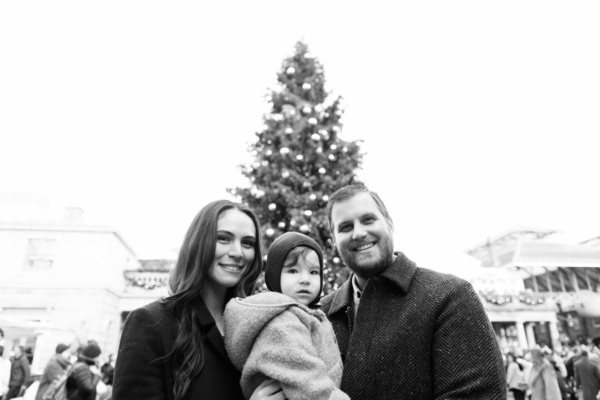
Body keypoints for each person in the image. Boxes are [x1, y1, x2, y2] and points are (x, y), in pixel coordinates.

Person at [320, 184, 506, 399]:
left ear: (389, 223)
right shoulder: (318, 314)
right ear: (334, 242)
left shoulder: (450, 296)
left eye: (368, 220)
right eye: (345, 227)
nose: (359, 233)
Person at [112, 200, 285, 400]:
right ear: (198, 242)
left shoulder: (255, 324)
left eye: (247, 243)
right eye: (223, 238)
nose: (238, 252)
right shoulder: (151, 322)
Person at [224, 232, 349, 400]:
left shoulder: (309, 314)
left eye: (313, 272)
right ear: (274, 275)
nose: (305, 279)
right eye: (293, 270)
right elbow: (307, 382)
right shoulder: (281, 322)